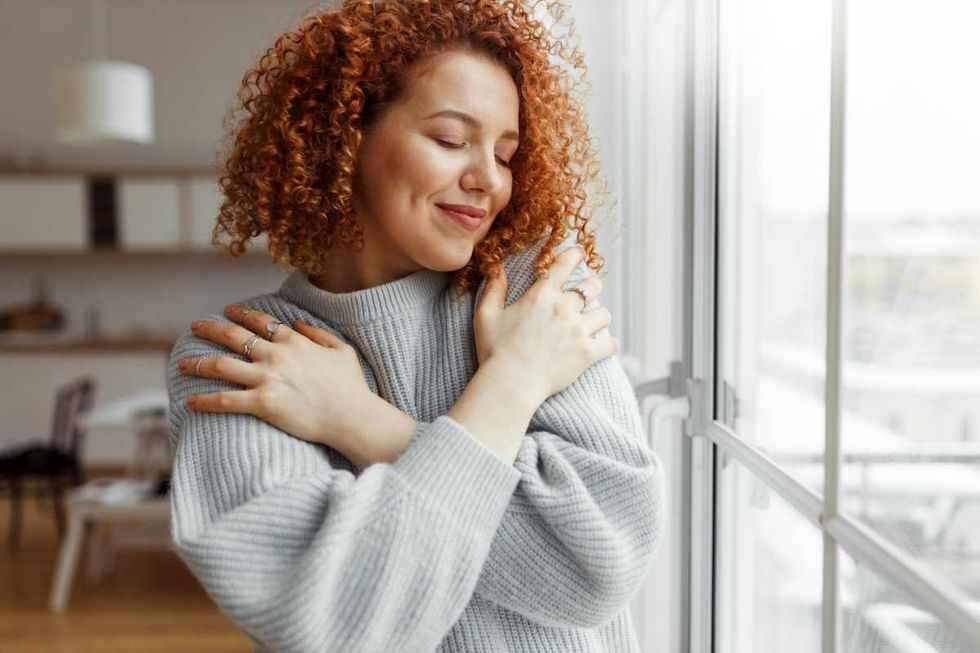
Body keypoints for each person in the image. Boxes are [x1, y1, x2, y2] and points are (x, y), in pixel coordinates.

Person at [166, 0, 666, 651]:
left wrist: (362, 422)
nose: (488, 179)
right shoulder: (245, 354)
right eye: (451, 140)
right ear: (343, 139)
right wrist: (515, 382)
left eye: (506, 154)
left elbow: (595, 570)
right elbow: (329, 623)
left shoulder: (531, 300)